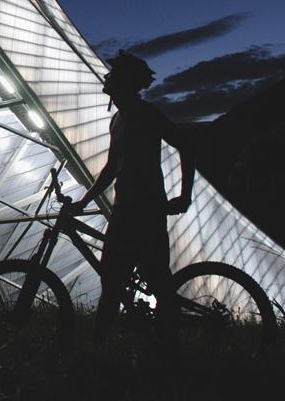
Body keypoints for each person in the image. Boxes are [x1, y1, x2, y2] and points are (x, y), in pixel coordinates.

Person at [67, 50, 195, 345]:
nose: (106, 77)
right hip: (124, 209)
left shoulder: (147, 115)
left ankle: (164, 348)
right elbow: (112, 167)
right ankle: (102, 345)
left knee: (150, 281)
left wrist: (184, 195)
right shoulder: (118, 120)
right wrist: (84, 202)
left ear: (124, 82)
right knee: (112, 281)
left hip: (146, 209)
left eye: (112, 75)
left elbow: (186, 146)